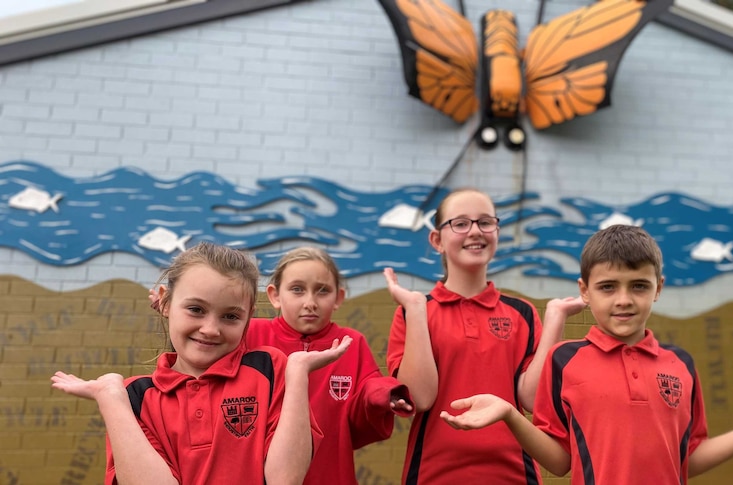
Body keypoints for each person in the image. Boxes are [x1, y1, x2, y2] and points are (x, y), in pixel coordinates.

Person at [439, 225, 733, 485]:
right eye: (608, 287)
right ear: (584, 291)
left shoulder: (680, 364)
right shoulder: (564, 361)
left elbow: (689, 458)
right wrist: (510, 413)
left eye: (638, 286)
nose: (624, 300)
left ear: (659, 288)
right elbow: (560, 461)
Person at [51, 242, 351, 485]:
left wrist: (298, 372)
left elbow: (285, 479)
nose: (211, 328)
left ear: (249, 319)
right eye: (196, 309)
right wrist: (110, 398)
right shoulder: (135, 398)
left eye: (230, 316)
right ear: (165, 303)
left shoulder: (270, 370)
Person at [383, 187, 586, 484]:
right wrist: (414, 308)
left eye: (485, 222)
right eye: (461, 223)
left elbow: (531, 398)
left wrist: (555, 319)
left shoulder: (523, 314)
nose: (475, 231)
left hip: (515, 474)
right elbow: (420, 397)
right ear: (437, 240)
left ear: (497, 232)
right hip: (433, 474)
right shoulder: (413, 312)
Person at [244, 247, 415, 485]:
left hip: (331, 474)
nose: (310, 302)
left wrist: (384, 395)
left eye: (322, 291)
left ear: (339, 298)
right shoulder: (251, 334)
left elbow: (366, 395)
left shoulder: (351, 343)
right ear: (274, 295)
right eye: (297, 289)